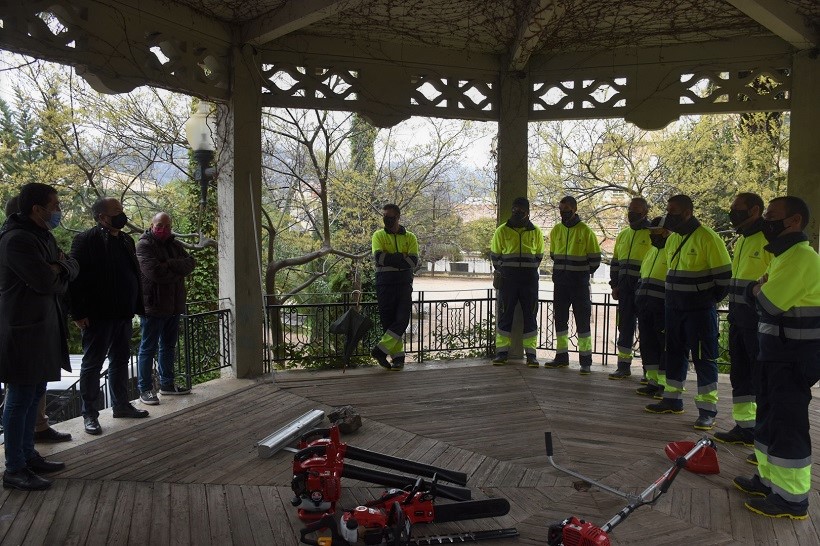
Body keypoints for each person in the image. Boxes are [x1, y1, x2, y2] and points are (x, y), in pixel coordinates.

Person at [733, 196, 819, 520]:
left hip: (793, 358)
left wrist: (758, 290)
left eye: (771, 216)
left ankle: (792, 500)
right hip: (774, 354)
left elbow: (766, 303)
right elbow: (757, 293)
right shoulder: (782, 256)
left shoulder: (802, 258)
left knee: (788, 426)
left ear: (794, 221)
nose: (766, 220)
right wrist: (758, 290)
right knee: (768, 420)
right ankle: (769, 482)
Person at [0, 183, 77, 490]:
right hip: (22, 332)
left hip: (42, 328)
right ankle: (14, 468)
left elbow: (69, 268)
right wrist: (60, 267)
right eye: (55, 205)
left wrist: (59, 266)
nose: (58, 210)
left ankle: (29, 455)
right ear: (36, 208)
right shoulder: (16, 240)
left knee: (34, 395)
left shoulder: (41, 235)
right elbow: (47, 281)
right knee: (19, 399)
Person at [645, 194, 731, 430]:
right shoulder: (672, 240)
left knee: (704, 359)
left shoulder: (708, 238)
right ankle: (672, 399)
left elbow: (724, 278)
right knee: (673, 352)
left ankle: (707, 410)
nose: (668, 215)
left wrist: (704, 301)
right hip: (673, 309)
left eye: (673, 211)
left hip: (699, 312)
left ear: (686, 213)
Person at [69, 197, 148, 435]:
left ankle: (121, 405)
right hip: (97, 316)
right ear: (102, 217)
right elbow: (75, 281)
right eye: (116, 211)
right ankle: (89, 414)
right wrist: (78, 312)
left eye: (122, 210)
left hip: (123, 314)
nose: (121, 214)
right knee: (92, 364)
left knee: (120, 361)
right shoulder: (85, 240)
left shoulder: (126, 239)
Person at [713, 193, 771, 446]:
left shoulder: (769, 240)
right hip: (738, 319)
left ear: (755, 210)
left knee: (760, 379)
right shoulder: (744, 240)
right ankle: (745, 428)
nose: (732, 214)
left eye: (737, 209)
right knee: (741, 376)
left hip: (758, 322)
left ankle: (763, 434)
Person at [135, 212, 196, 405]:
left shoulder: (175, 245)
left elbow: (190, 264)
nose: (163, 229)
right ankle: (145, 389)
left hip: (174, 306)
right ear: (151, 225)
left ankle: (167, 384)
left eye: (167, 226)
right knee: (148, 348)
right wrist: (176, 271)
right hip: (153, 306)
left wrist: (169, 263)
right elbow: (155, 273)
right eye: (159, 225)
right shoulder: (144, 245)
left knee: (168, 347)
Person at [545, 196, 601, 374]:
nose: (563, 212)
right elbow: (554, 255)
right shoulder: (556, 231)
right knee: (560, 321)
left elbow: (595, 260)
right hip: (560, 284)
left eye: (567, 209)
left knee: (582, 323)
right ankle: (561, 357)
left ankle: (586, 361)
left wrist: (580, 274)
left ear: (575, 209)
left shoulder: (585, 231)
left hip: (579, 285)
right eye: (561, 209)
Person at [489, 197, 544, 366]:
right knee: (505, 315)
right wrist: (505, 270)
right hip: (508, 280)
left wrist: (529, 268)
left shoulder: (536, 231)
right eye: (515, 208)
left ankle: (531, 355)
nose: (517, 212)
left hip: (529, 280)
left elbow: (539, 255)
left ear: (528, 212)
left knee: (530, 315)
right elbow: (495, 255)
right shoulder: (502, 231)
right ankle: (502, 353)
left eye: (521, 209)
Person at [370, 204, 419, 371]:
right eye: (384, 216)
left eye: (390, 217)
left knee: (402, 319)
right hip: (384, 283)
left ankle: (379, 351)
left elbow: (413, 261)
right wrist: (401, 258)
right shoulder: (378, 235)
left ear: (398, 217)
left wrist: (391, 257)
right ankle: (398, 358)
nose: (387, 220)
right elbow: (379, 258)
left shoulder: (410, 237)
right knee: (388, 322)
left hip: (404, 283)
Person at [608, 197, 652, 379]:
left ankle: (649, 370)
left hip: (645, 290)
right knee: (624, 326)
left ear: (645, 212)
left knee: (647, 329)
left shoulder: (652, 234)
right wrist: (615, 284)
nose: (631, 214)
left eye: (636, 211)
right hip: (625, 288)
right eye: (629, 210)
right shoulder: (623, 235)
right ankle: (623, 366)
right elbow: (615, 262)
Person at [633, 217, 670, 397]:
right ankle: (652, 381)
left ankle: (664, 385)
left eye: (654, 231)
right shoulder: (651, 252)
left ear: (665, 231)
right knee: (648, 345)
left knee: (664, 347)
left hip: (662, 308)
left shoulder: (672, 251)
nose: (651, 234)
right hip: (646, 307)